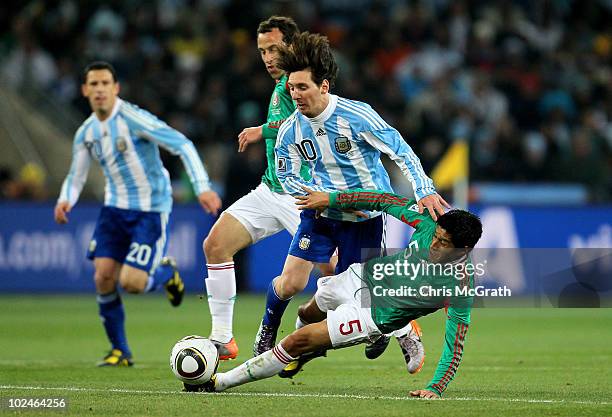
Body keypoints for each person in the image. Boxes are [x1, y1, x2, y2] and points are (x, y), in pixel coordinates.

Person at [254, 31, 450, 360]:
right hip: (320, 215)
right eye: (292, 88)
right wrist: (311, 195)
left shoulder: (357, 116)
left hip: (364, 218)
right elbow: (286, 174)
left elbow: (400, 151)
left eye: (303, 87)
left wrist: (425, 189)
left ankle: (398, 329)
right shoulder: (291, 128)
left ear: (324, 87)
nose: (296, 95)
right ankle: (268, 328)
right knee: (289, 283)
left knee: (360, 298)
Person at [188, 187, 482, 397]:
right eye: (438, 237)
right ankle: (309, 351)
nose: (435, 244)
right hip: (359, 278)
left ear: (464, 249)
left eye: (444, 244)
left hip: (370, 315)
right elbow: (381, 199)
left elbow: (454, 345)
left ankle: (218, 383)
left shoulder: (459, 285)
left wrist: (435, 388)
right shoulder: (428, 223)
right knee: (306, 313)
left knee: (298, 339)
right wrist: (330, 199)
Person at [54, 61, 221, 367]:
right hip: (114, 210)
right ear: (84, 90)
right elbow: (76, 176)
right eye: (94, 84)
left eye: (105, 83)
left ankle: (167, 273)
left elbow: (182, 144)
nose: (100, 89)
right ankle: (120, 351)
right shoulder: (86, 132)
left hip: (149, 210)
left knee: (131, 283)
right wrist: (66, 200)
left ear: (116, 88)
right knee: (103, 277)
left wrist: (202, 187)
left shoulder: (133, 119)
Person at [202, 16, 335, 361]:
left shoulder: (303, 84)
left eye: (274, 48)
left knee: (338, 270)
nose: (267, 56)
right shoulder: (279, 88)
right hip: (270, 189)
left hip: (304, 197)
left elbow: (310, 120)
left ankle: (400, 327)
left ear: (291, 45)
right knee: (216, 245)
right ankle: (222, 339)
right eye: (262, 50)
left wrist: (263, 128)